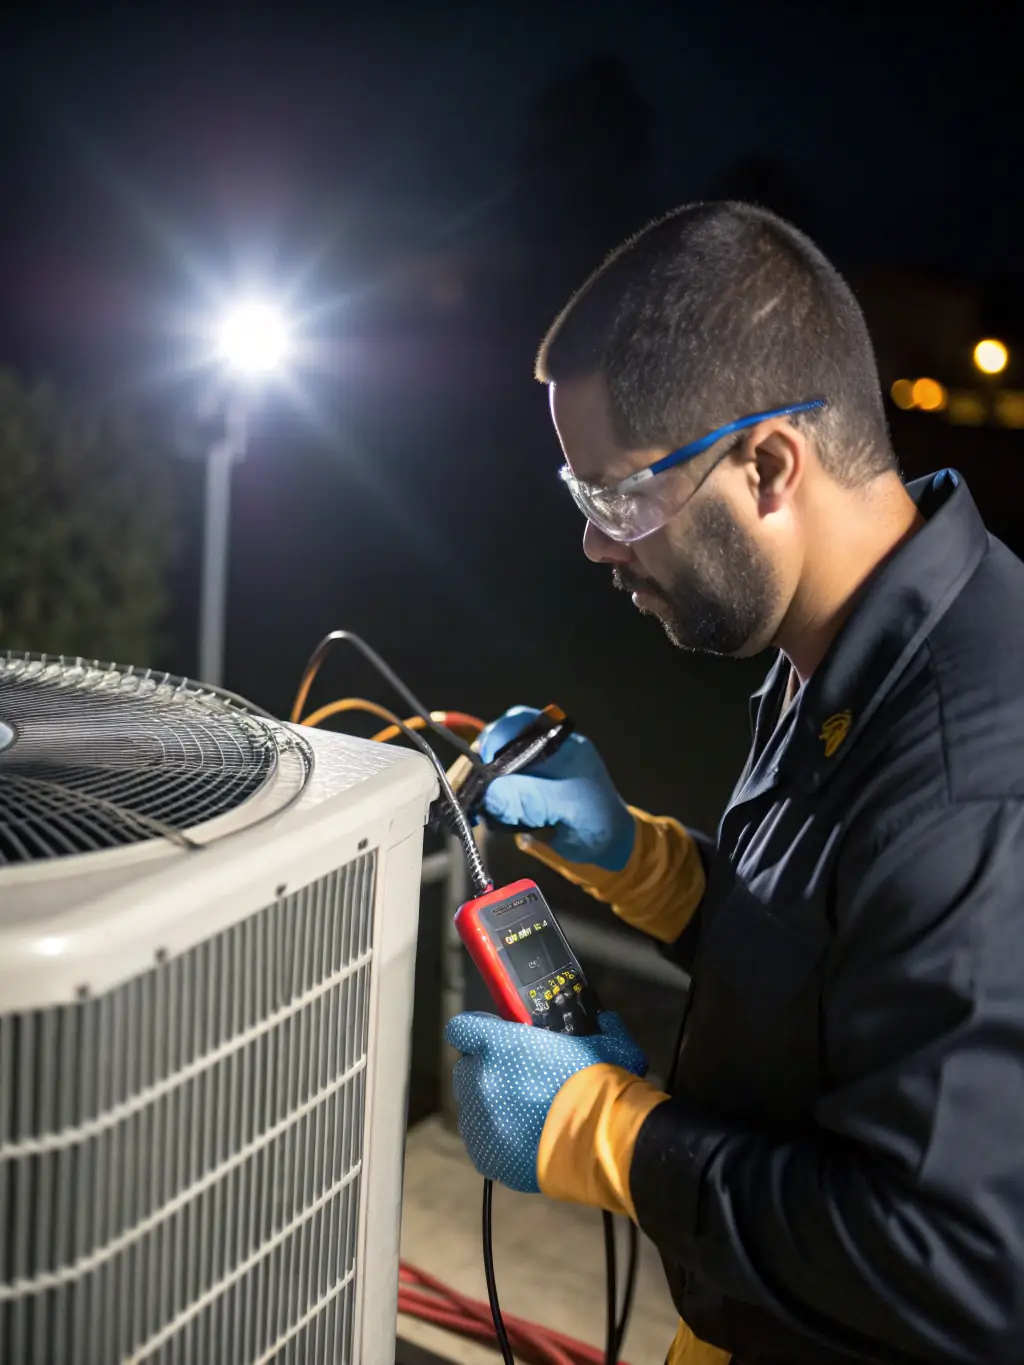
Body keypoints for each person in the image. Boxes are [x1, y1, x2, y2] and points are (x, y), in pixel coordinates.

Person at [444, 202, 1024, 1365]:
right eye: (582, 501)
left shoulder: (973, 775)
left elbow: (953, 1262)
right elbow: (845, 965)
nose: (598, 547)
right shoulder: (848, 642)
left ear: (767, 466)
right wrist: (647, 867)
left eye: (618, 499)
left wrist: (605, 1134)